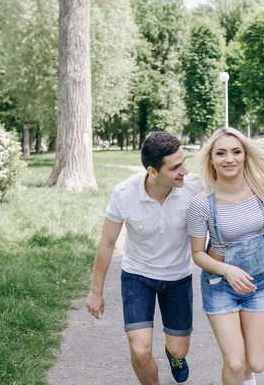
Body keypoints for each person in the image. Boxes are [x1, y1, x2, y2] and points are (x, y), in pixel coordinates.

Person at [86, 131, 203, 384]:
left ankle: (174, 356)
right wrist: (96, 291)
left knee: (178, 349)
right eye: (175, 167)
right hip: (137, 277)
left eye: (184, 162)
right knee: (140, 351)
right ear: (152, 172)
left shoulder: (195, 187)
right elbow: (107, 243)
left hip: (178, 277)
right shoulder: (124, 194)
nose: (184, 170)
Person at [187, 127, 264, 385]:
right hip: (220, 286)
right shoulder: (201, 203)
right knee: (234, 362)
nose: (228, 159)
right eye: (221, 153)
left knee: (255, 364)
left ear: (245, 156)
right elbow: (197, 254)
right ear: (211, 159)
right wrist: (228, 271)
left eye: (235, 152)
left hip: (258, 283)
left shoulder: (262, 189)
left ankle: (247, 378)